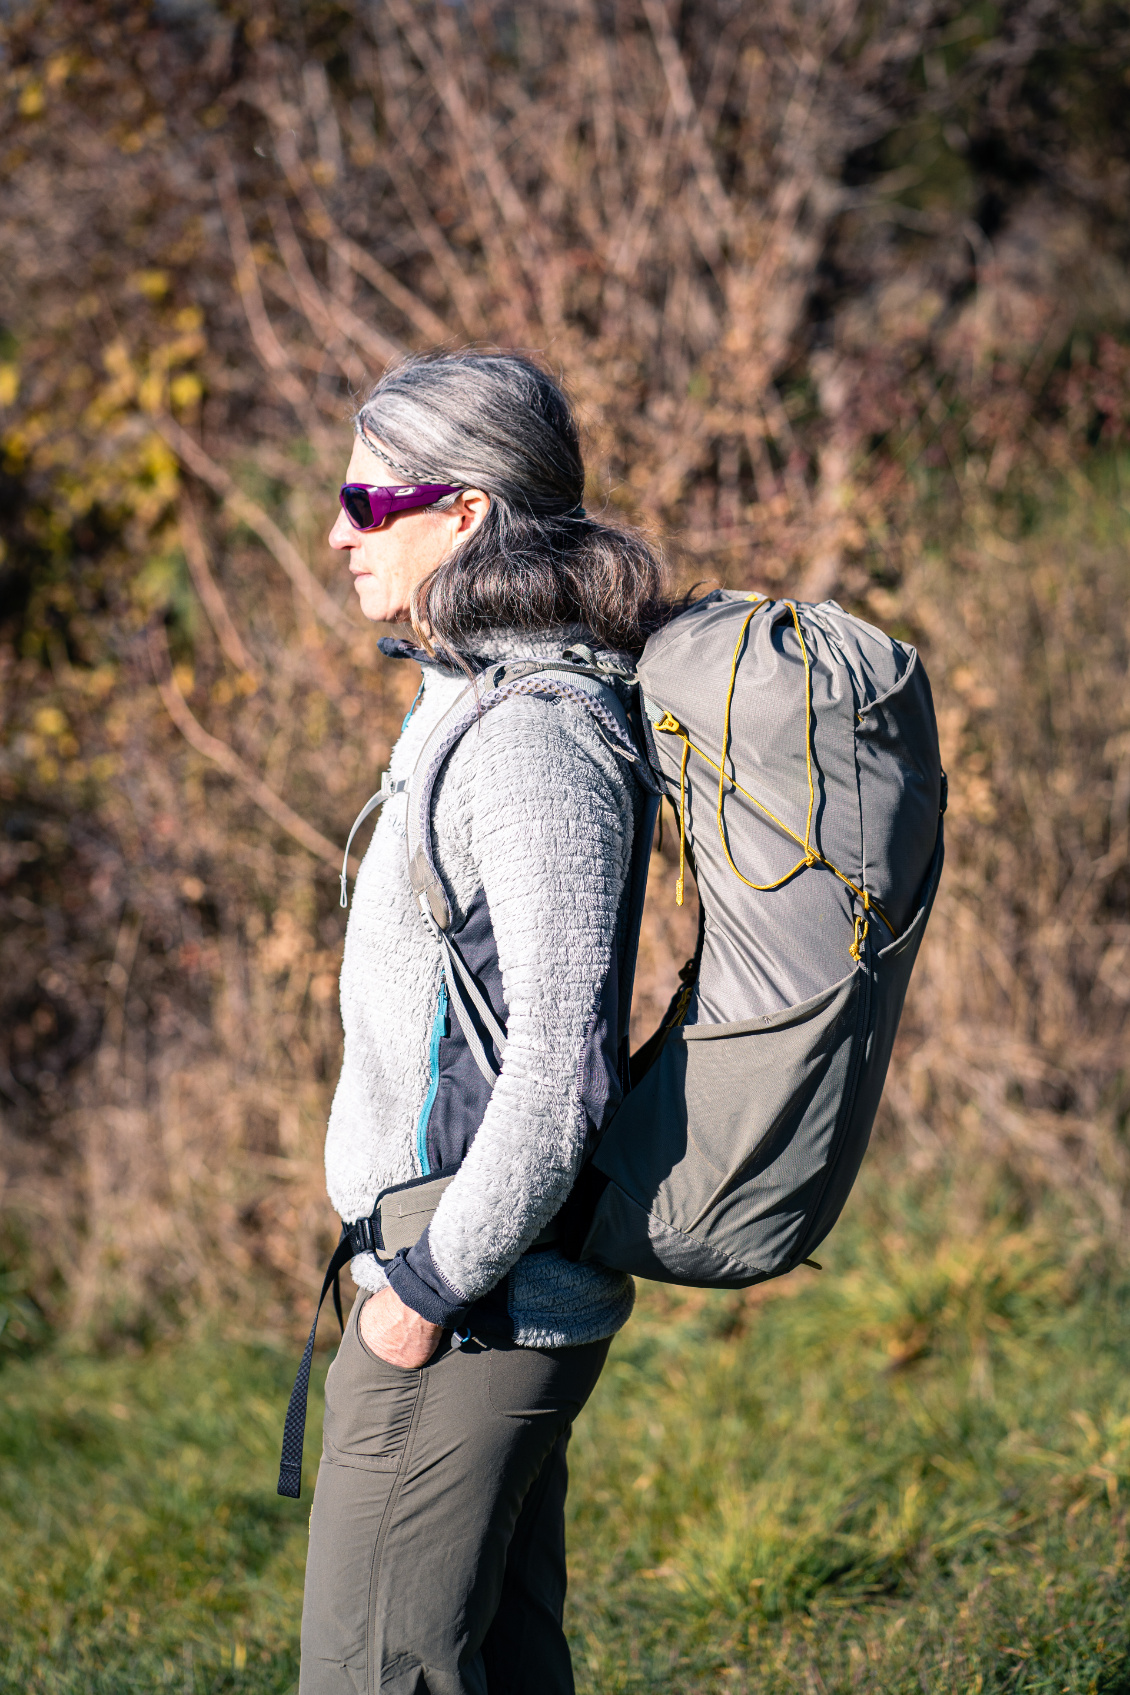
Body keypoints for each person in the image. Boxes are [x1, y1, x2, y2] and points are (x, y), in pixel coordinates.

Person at [300, 351, 668, 1695]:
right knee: (496, 1667)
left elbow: (558, 1073)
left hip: (474, 1297)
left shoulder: (534, 738)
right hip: (460, 1277)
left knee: (373, 1675)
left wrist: (424, 1292)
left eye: (364, 494)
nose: (339, 531)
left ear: (462, 514)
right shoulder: (466, 698)